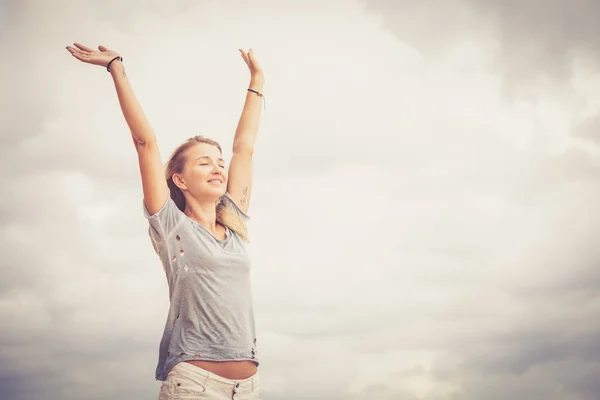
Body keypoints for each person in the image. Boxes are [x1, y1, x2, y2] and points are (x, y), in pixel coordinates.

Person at [66, 42, 265, 399]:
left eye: (218, 162)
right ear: (179, 179)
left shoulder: (234, 223)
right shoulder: (171, 225)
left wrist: (258, 81)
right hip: (194, 384)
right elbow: (145, 141)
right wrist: (117, 68)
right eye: (204, 162)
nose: (218, 167)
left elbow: (244, 148)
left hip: (248, 387)